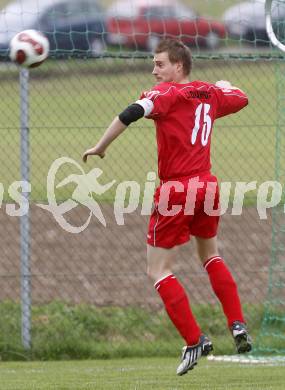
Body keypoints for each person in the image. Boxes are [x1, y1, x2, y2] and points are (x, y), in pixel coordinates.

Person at [82, 39, 252, 376]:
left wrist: (101, 146)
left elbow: (130, 112)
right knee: (211, 256)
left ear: (179, 66)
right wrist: (223, 85)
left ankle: (194, 340)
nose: (154, 70)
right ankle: (237, 325)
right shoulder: (209, 94)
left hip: (176, 189)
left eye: (160, 64)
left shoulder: (166, 95)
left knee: (158, 270)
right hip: (207, 185)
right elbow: (242, 98)